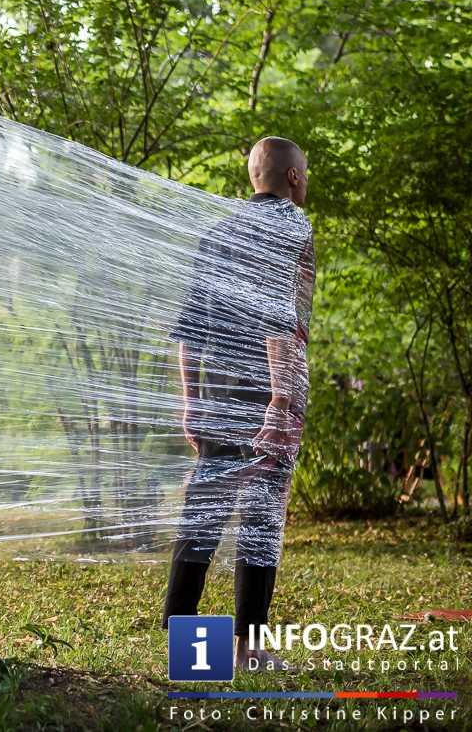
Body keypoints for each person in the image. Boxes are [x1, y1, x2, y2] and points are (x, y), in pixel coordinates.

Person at [162, 136, 316, 670]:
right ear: (294, 177)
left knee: (202, 517)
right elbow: (281, 318)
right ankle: (249, 649)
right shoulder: (294, 226)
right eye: (306, 174)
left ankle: (188, 651)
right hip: (263, 393)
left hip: (216, 393)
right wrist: (280, 399)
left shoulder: (217, 231)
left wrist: (190, 401)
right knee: (261, 519)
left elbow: (189, 328)